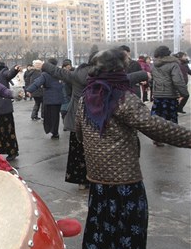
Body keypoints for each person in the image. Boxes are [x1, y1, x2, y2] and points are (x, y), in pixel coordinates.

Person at [74, 48, 191, 249]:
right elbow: (155, 126)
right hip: (124, 174)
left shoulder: (86, 97)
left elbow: (78, 133)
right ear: (118, 69)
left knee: (103, 215)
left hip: (97, 174)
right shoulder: (123, 98)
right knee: (131, 219)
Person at [41, 50, 148, 189]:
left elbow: (58, 72)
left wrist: (44, 65)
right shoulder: (106, 75)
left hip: (77, 119)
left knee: (77, 152)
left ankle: (80, 181)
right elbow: (127, 78)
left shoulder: (76, 74)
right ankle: (98, 179)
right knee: (96, 152)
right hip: (99, 119)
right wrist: (144, 74)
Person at [150, 46, 189, 146]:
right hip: (170, 95)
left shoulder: (154, 65)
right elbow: (178, 80)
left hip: (158, 95)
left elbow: (153, 80)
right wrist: (184, 93)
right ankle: (173, 139)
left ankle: (157, 138)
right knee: (170, 119)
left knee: (157, 118)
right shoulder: (173, 64)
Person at [26, 58, 63, 139]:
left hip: (49, 99)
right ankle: (55, 132)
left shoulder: (45, 74)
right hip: (58, 99)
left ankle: (51, 130)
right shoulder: (59, 73)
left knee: (48, 116)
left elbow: (37, 83)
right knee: (56, 116)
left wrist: (29, 90)